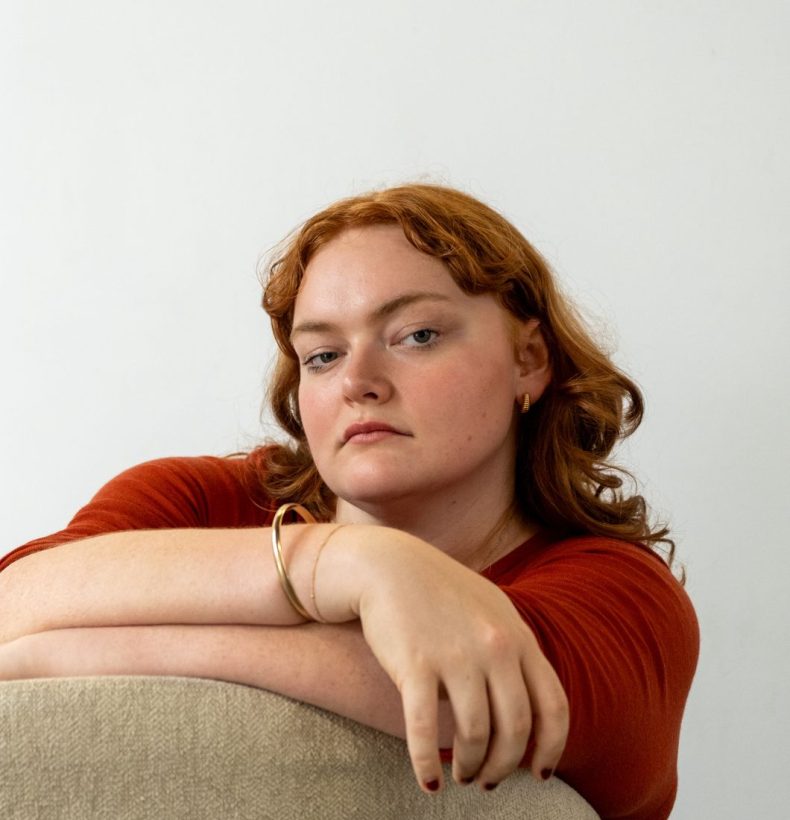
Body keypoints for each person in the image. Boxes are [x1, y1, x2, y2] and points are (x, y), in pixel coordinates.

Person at [0, 183, 698, 819]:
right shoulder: (193, 500)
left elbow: (460, 697)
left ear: (530, 360)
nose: (358, 381)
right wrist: (345, 564)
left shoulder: (625, 596)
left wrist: (58, 652)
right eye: (323, 355)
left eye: (416, 335)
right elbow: (13, 600)